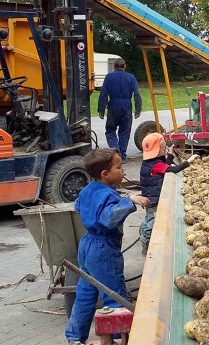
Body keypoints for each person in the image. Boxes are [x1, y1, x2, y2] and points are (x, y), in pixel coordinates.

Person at [65, 148, 150, 345]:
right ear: (105, 174)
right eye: (119, 167)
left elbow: (78, 206)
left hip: (86, 246)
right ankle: (119, 338)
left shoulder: (89, 189)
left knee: (85, 294)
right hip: (103, 249)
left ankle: (74, 338)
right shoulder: (109, 196)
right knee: (114, 295)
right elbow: (108, 218)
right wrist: (128, 201)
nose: (123, 171)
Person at [139, 133, 199, 255]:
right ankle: (146, 244)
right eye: (163, 148)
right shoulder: (155, 165)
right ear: (157, 151)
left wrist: (171, 154)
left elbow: (165, 164)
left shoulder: (151, 162)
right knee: (151, 221)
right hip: (153, 199)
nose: (165, 150)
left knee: (149, 217)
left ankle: (145, 231)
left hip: (150, 195)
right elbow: (173, 169)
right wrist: (189, 161)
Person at [98, 58, 142, 162]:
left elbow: (103, 94)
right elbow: (136, 94)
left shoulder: (109, 77)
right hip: (127, 106)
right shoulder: (131, 77)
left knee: (110, 130)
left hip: (113, 105)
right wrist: (138, 109)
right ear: (125, 66)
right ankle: (121, 155)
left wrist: (101, 110)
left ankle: (115, 151)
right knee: (125, 131)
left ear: (114, 66)